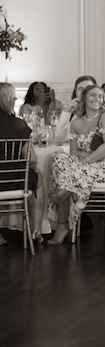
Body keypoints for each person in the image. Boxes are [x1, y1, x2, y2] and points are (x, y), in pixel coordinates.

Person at [46, 85, 105, 245]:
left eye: (101, 96)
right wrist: (83, 159)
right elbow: (73, 151)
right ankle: (65, 191)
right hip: (84, 164)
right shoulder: (76, 122)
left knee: (66, 176)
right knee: (57, 157)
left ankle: (63, 224)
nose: (98, 99)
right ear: (84, 98)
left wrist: (87, 160)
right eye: (93, 95)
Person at [0, 82, 45, 245]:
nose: (15, 99)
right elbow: (31, 158)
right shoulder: (18, 125)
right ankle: (36, 232)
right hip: (13, 180)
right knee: (38, 179)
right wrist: (36, 169)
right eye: (13, 97)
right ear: (7, 100)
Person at [54, 75, 97, 141]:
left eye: (88, 88)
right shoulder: (70, 109)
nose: (84, 92)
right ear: (76, 92)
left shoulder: (103, 111)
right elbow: (59, 138)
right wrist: (67, 112)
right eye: (80, 89)